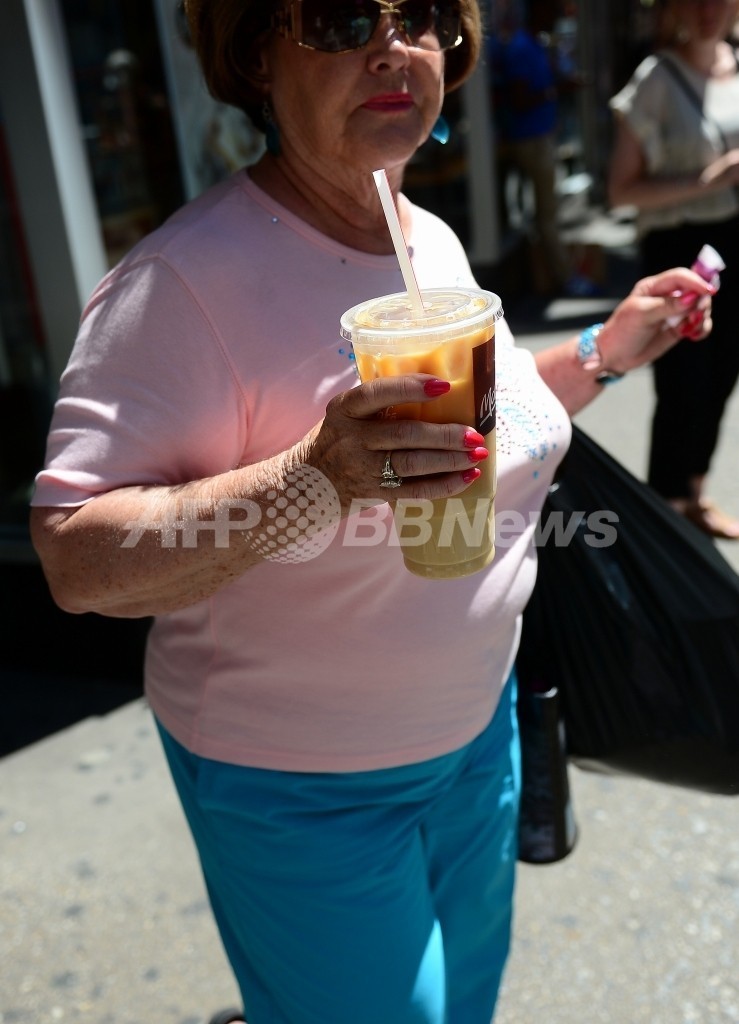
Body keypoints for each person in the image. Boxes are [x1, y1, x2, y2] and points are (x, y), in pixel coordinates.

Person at [29, 2, 714, 1022]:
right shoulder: (178, 284)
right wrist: (319, 475)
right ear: (258, 52)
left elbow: (474, 416)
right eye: (343, 16)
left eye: (425, 14)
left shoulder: (421, 232)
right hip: (298, 783)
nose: (392, 45)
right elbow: (74, 558)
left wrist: (605, 351)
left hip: (476, 739)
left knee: (463, 1006)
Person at [608, 0, 739, 539]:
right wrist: (705, 182)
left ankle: (694, 492)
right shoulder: (657, 78)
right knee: (682, 382)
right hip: (678, 246)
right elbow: (620, 190)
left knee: (723, 375)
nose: (709, 10)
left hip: (732, 244)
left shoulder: (735, 62)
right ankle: (665, 510)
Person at [488, 0, 595, 297]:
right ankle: (565, 278)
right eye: (553, 9)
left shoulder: (534, 44)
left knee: (542, 214)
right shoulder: (522, 47)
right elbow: (520, 98)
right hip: (530, 140)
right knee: (547, 215)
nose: (558, 16)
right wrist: (556, 90)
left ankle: (550, 274)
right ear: (537, 11)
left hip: (538, 137)